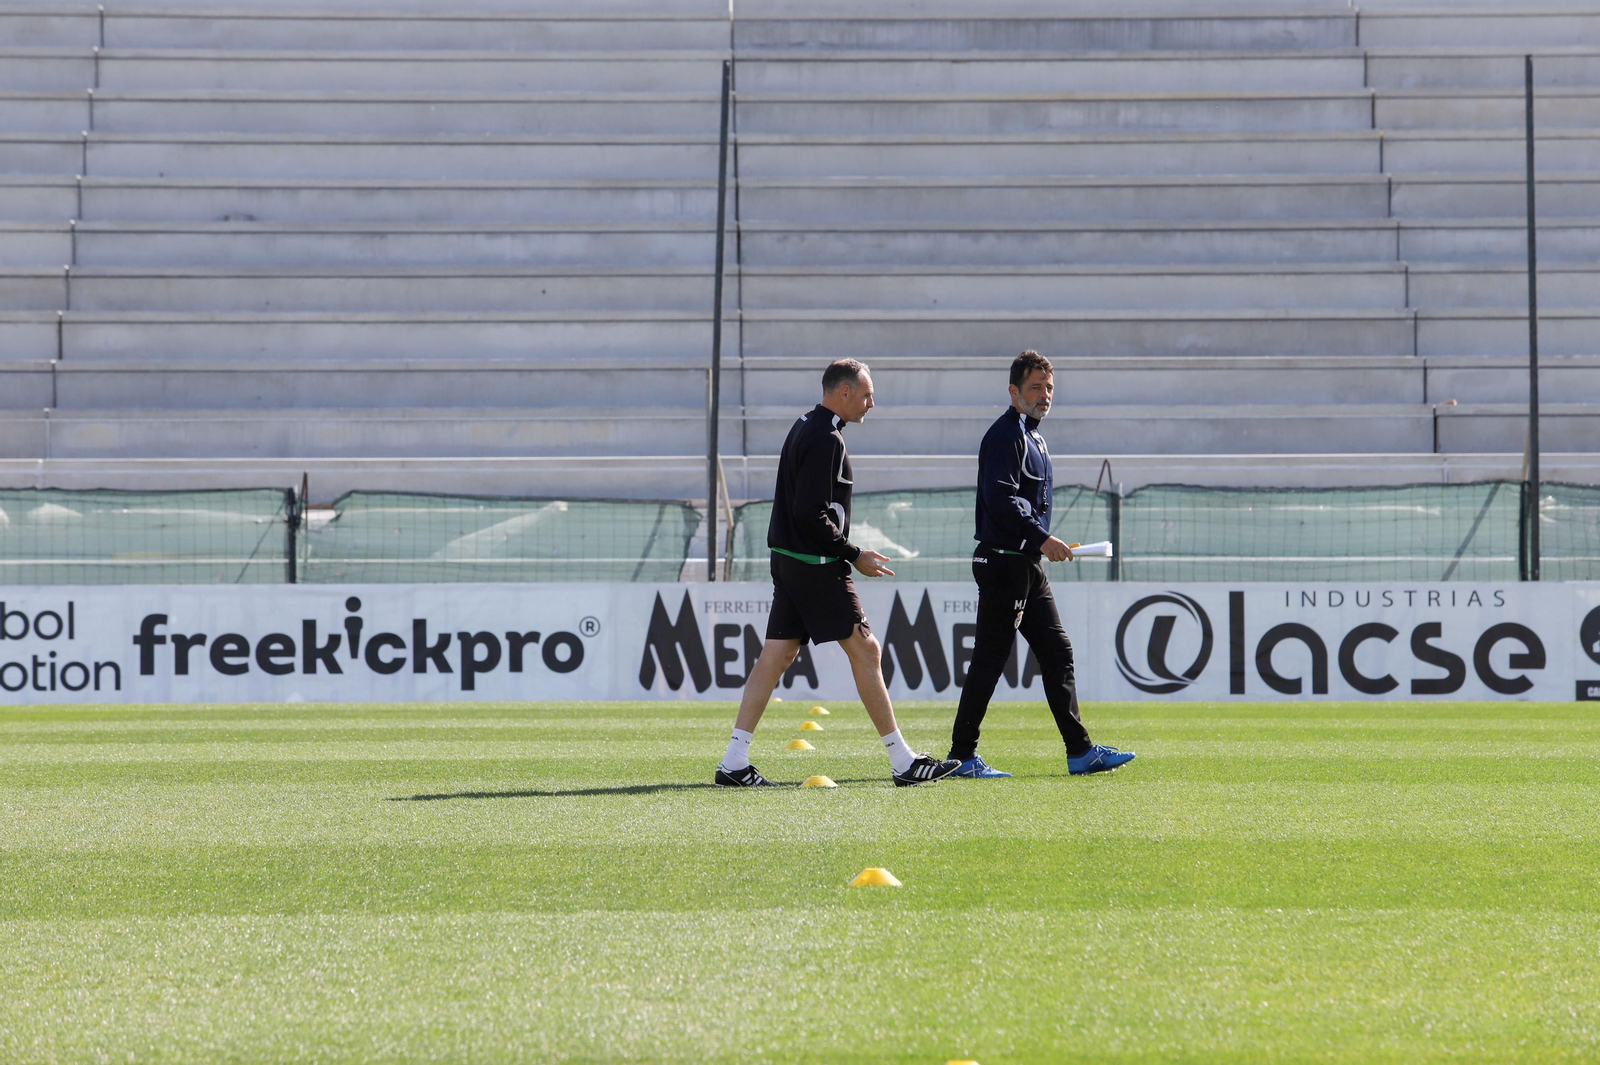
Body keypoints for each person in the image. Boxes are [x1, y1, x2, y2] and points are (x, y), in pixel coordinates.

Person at [715, 358, 961, 788]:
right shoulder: (827, 439)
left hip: (791, 562)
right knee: (866, 652)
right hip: (816, 565)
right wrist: (854, 554)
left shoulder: (804, 425)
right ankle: (903, 762)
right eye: (866, 394)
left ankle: (734, 761)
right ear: (843, 392)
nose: (872, 403)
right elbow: (809, 513)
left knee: (776, 657)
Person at [947, 350, 1135, 779]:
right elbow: (1002, 499)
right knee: (991, 660)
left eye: (1049, 387)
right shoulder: (1005, 435)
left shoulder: (1033, 435)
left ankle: (1080, 752)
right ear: (1013, 391)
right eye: (1035, 387)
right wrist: (1042, 537)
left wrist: (1040, 543)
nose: (1044, 395)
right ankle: (961, 756)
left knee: (1057, 651)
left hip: (1026, 564)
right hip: (1005, 562)